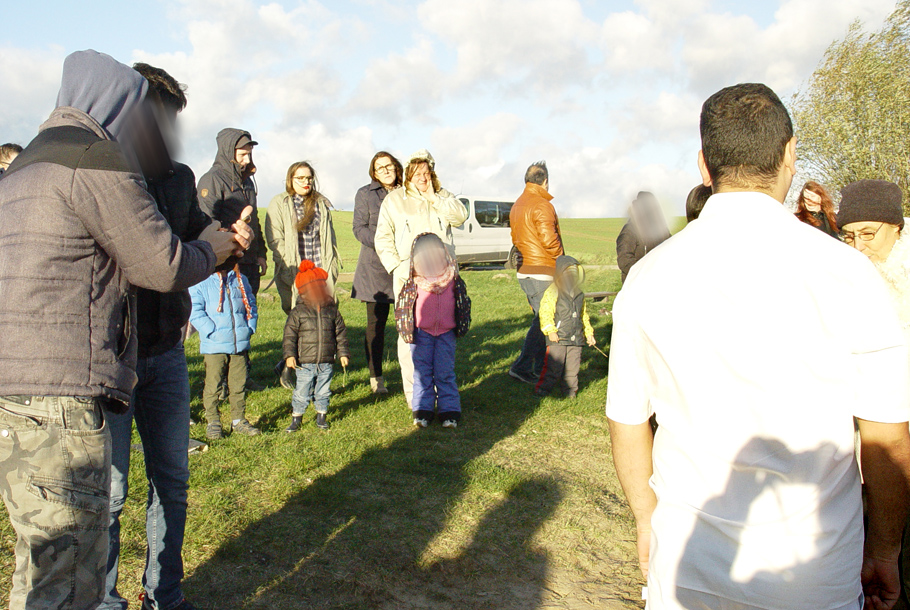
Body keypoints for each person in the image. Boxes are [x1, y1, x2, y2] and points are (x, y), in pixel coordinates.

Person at [606, 83, 910, 610]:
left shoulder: (649, 276)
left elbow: (627, 419)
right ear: (790, 153)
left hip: (686, 562)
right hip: (812, 570)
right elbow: (887, 437)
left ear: (704, 165)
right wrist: (885, 549)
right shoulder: (851, 274)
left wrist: (644, 519)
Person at [0, 50, 246, 610]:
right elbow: (160, 264)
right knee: (69, 568)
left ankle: (163, 592)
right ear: (120, 106)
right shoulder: (96, 161)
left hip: (22, 386)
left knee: (42, 562)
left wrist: (213, 234)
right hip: (73, 383)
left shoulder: (31, 164)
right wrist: (215, 247)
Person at [102, 62, 253, 610]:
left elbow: (196, 235)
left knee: (173, 482)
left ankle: (163, 592)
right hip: (110, 360)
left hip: (164, 353)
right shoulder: (103, 173)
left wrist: (230, 236)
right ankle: (105, 599)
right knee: (111, 494)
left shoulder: (179, 178)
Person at [374, 149, 468, 408]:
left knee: (443, 334)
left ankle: (443, 395)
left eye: (426, 172)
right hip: (410, 280)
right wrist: (397, 267)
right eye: (416, 173)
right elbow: (382, 237)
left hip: (443, 280)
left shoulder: (443, 196)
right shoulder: (395, 200)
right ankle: (416, 399)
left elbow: (460, 217)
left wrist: (433, 198)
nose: (422, 177)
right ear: (408, 175)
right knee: (410, 337)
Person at [265, 161, 340, 389]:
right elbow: (274, 238)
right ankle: (290, 367)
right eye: (300, 178)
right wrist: (285, 265)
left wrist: (332, 268)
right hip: (295, 272)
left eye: (309, 178)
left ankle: (308, 371)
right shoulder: (279, 202)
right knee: (298, 323)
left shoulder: (319, 204)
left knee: (320, 323)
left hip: (320, 272)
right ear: (290, 179)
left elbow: (329, 238)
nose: (305, 182)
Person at [395, 233, 471, 428]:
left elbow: (463, 304)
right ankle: (423, 411)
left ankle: (449, 412)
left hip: (446, 333)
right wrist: (407, 331)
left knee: (445, 372)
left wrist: (461, 325)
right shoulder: (414, 281)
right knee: (422, 373)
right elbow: (403, 309)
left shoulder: (452, 279)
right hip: (421, 335)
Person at [508, 161, 564, 385]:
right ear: (546, 181)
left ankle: (540, 366)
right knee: (546, 320)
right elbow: (550, 241)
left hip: (525, 271)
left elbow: (515, 239)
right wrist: (563, 261)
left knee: (541, 319)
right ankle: (523, 367)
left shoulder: (517, 204)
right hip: (543, 271)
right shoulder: (542, 205)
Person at [352, 152, 403, 395]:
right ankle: (376, 377)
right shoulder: (365, 194)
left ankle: (414, 373)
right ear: (373, 172)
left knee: (410, 323)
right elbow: (358, 228)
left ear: (396, 167)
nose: (384, 170)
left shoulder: (407, 192)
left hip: (405, 266)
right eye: (379, 167)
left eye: (388, 166)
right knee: (376, 325)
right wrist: (384, 244)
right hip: (375, 268)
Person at [190, 268, 261, 439]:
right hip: (214, 345)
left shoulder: (240, 279)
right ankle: (213, 422)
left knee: (239, 384)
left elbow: (250, 304)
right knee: (213, 385)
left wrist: (249, 327)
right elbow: (195, 310)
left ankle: (238, 420)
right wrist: (211, 331)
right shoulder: (200, 280)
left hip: (240, 344)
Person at [197, 128, 268, 292]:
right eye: (242, 154)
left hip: (250, 265)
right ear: (228, 152)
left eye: (249, 154)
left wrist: (261, 255)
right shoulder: (212, 180)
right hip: (224, 265)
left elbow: (254, 221)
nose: (247, 159)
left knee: (250, 315)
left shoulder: (248, 182)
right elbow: (206, 225)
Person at [283, 260, 350, 432]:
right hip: (304, 362)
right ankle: (297, 417)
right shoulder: (298, 312)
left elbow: (340, 334)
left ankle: (322, 415)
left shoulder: (332, 310)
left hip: (326, 360)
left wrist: (343, 353)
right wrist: (290, 356)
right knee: (301, 391)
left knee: (323, 390)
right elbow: (289, 336)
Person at [534, 255, 595, 399]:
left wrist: (589, 333)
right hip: (558, 337)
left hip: (576, 338)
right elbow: (546, 311)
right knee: (554, 366)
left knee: (573, 368)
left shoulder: (580, 294)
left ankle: (570, 392)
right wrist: (550, 330)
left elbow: (583, 315)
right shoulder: (553, 290)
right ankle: (543, 390)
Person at [616, 191, 670, 284]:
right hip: (636, 286)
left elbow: (671, 250)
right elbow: (624, 260)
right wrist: (644, 275)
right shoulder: (630, 230)